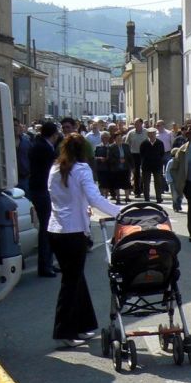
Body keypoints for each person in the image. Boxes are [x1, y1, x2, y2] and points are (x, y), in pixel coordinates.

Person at [47, 133, 121, 347]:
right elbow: (94, 198)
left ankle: (82, 325)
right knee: (71, 282)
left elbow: (60, 197)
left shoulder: (53, 169)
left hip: (56, 229)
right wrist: (120, 212)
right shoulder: (81, 169)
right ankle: (64, 331)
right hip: (74, 231)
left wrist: (80, 206)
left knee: (76, 279)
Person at [29, 121, 61, 278]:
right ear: (54, 135)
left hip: (39, 189)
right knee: (47, 228)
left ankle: (48, 263)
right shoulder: (44, 148)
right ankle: (45, 265)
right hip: (42, 190)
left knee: (48, 227)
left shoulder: (40, 144)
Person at [140, 127, 166, 203]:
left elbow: (162, 153)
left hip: (157, 165)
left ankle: (158, 197)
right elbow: (141, 154)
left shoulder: (160, 143)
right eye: (150, 134)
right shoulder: (144, 143)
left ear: (155, 134)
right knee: (146, 182)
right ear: (148, 134)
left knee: (158, 182)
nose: (151, 135)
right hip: (146, 165)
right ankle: (147, 198)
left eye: (153, 133)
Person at [124, 118, 148, 198]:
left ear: (141, 123)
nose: (136, 125)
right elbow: (127, 144)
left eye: (137, 123)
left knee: (145, 173)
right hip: (134, 155)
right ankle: (137, 191)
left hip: (144, 155)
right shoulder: (131, 133)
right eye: (134, 123)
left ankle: (144, 190)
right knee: (136, 173)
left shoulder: (146, 132)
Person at [108, 132, 132, 205]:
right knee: (117, 184)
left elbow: (130, 157)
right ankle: (118, 198)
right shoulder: (111, 147)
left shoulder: (126, 146)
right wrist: (118, 160)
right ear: (115, 139)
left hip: (125, 168)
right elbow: (110, 158)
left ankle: (127, 197)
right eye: (118, 138)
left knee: (126, 183)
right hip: (116, 169)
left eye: (121, 138)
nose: (120, 140)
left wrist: (132, 166)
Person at [14, 118, 32, 193]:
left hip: (24, 178)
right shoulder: (4, 143)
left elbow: (32, 158)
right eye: (12, 125)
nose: (14, 128)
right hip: (10, 179)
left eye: (16, 125)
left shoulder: (26, 142)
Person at [94, 131, 112, 198]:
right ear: (101, 138)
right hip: (100, 167)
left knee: (107, 182)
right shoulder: (97, 147)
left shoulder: (111, 147)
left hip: (109, 167)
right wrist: (99, 158)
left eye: (106, 137)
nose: (105, 139)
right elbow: (94, 157)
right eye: (103, 137)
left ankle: (106, 196)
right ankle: (101, 196)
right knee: (100, 182)